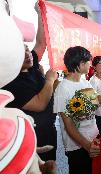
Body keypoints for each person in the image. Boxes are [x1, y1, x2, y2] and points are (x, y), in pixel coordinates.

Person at [2, 3, 58, 161]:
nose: (28, 53)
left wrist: (40, 14)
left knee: (50, 165)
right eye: (22, 52)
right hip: (32, 135)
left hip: (48, 130)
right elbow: (39, 104)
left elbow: (41, 43)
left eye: (27, 49)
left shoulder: (31, 67)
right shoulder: (12, 82)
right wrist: (49, 81)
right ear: (14, 57)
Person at [53, 46, 101, 174]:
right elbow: (68, 124)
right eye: (88, 62)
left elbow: (96, 101)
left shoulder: (84, 82)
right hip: (77, 145)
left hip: (93, 137)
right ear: (80, 64)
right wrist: (86, 145)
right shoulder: (63, 89)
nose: (90, 64)